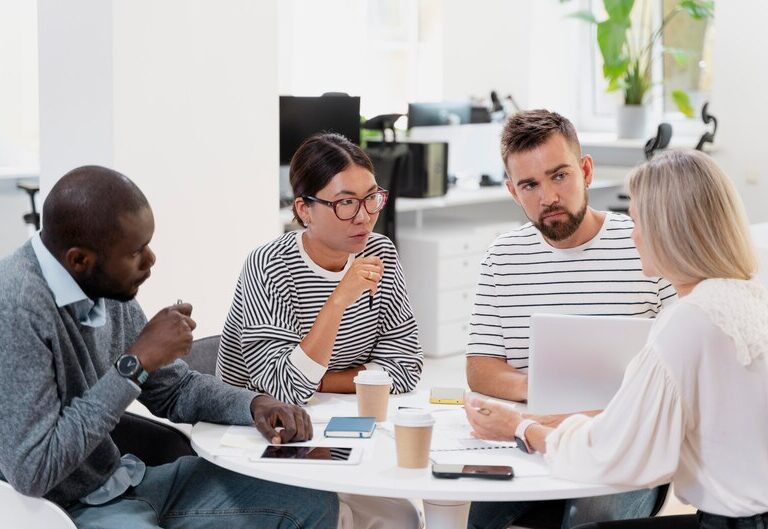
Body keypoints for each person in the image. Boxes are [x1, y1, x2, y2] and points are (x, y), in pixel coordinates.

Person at [0, 166, 338, 529]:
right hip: (64, 511)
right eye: (135, 252)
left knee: (310, 501)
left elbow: (173, 390)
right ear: (80, 260)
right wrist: (135, 362)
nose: (151, 261)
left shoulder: (104, 286)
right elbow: (33, 471)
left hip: (128, 481)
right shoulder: (16, 306)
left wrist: (254, 403)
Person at [466, 149, 768, 529]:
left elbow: (616, 454)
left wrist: (521, 427)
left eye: (639, 222)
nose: (634, 237)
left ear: (669, 230)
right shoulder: (748, 296)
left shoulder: (687, 321)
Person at [464, 109, 675, 529]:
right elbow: (480, 369)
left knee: (586, 519)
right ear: (512, 191)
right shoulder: (502, 258)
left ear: (586, 170)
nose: (548, 197)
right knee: (481, 519)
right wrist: (552, 388)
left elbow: (679, 365)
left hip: (623, 443)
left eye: (559, 176)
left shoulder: (645, 243)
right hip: (528, 436)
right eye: (530, 185)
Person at [217, 133, 424, 529]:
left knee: (402, 515)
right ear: (305, 209)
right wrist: (339, 299)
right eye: (345, 202)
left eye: (371, 198)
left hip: (336, 427)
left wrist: (321, 381)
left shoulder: (379, 252)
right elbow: (282, 391)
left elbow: (404, 366)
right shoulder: (268, 265)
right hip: (262, 437)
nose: (364, 216)